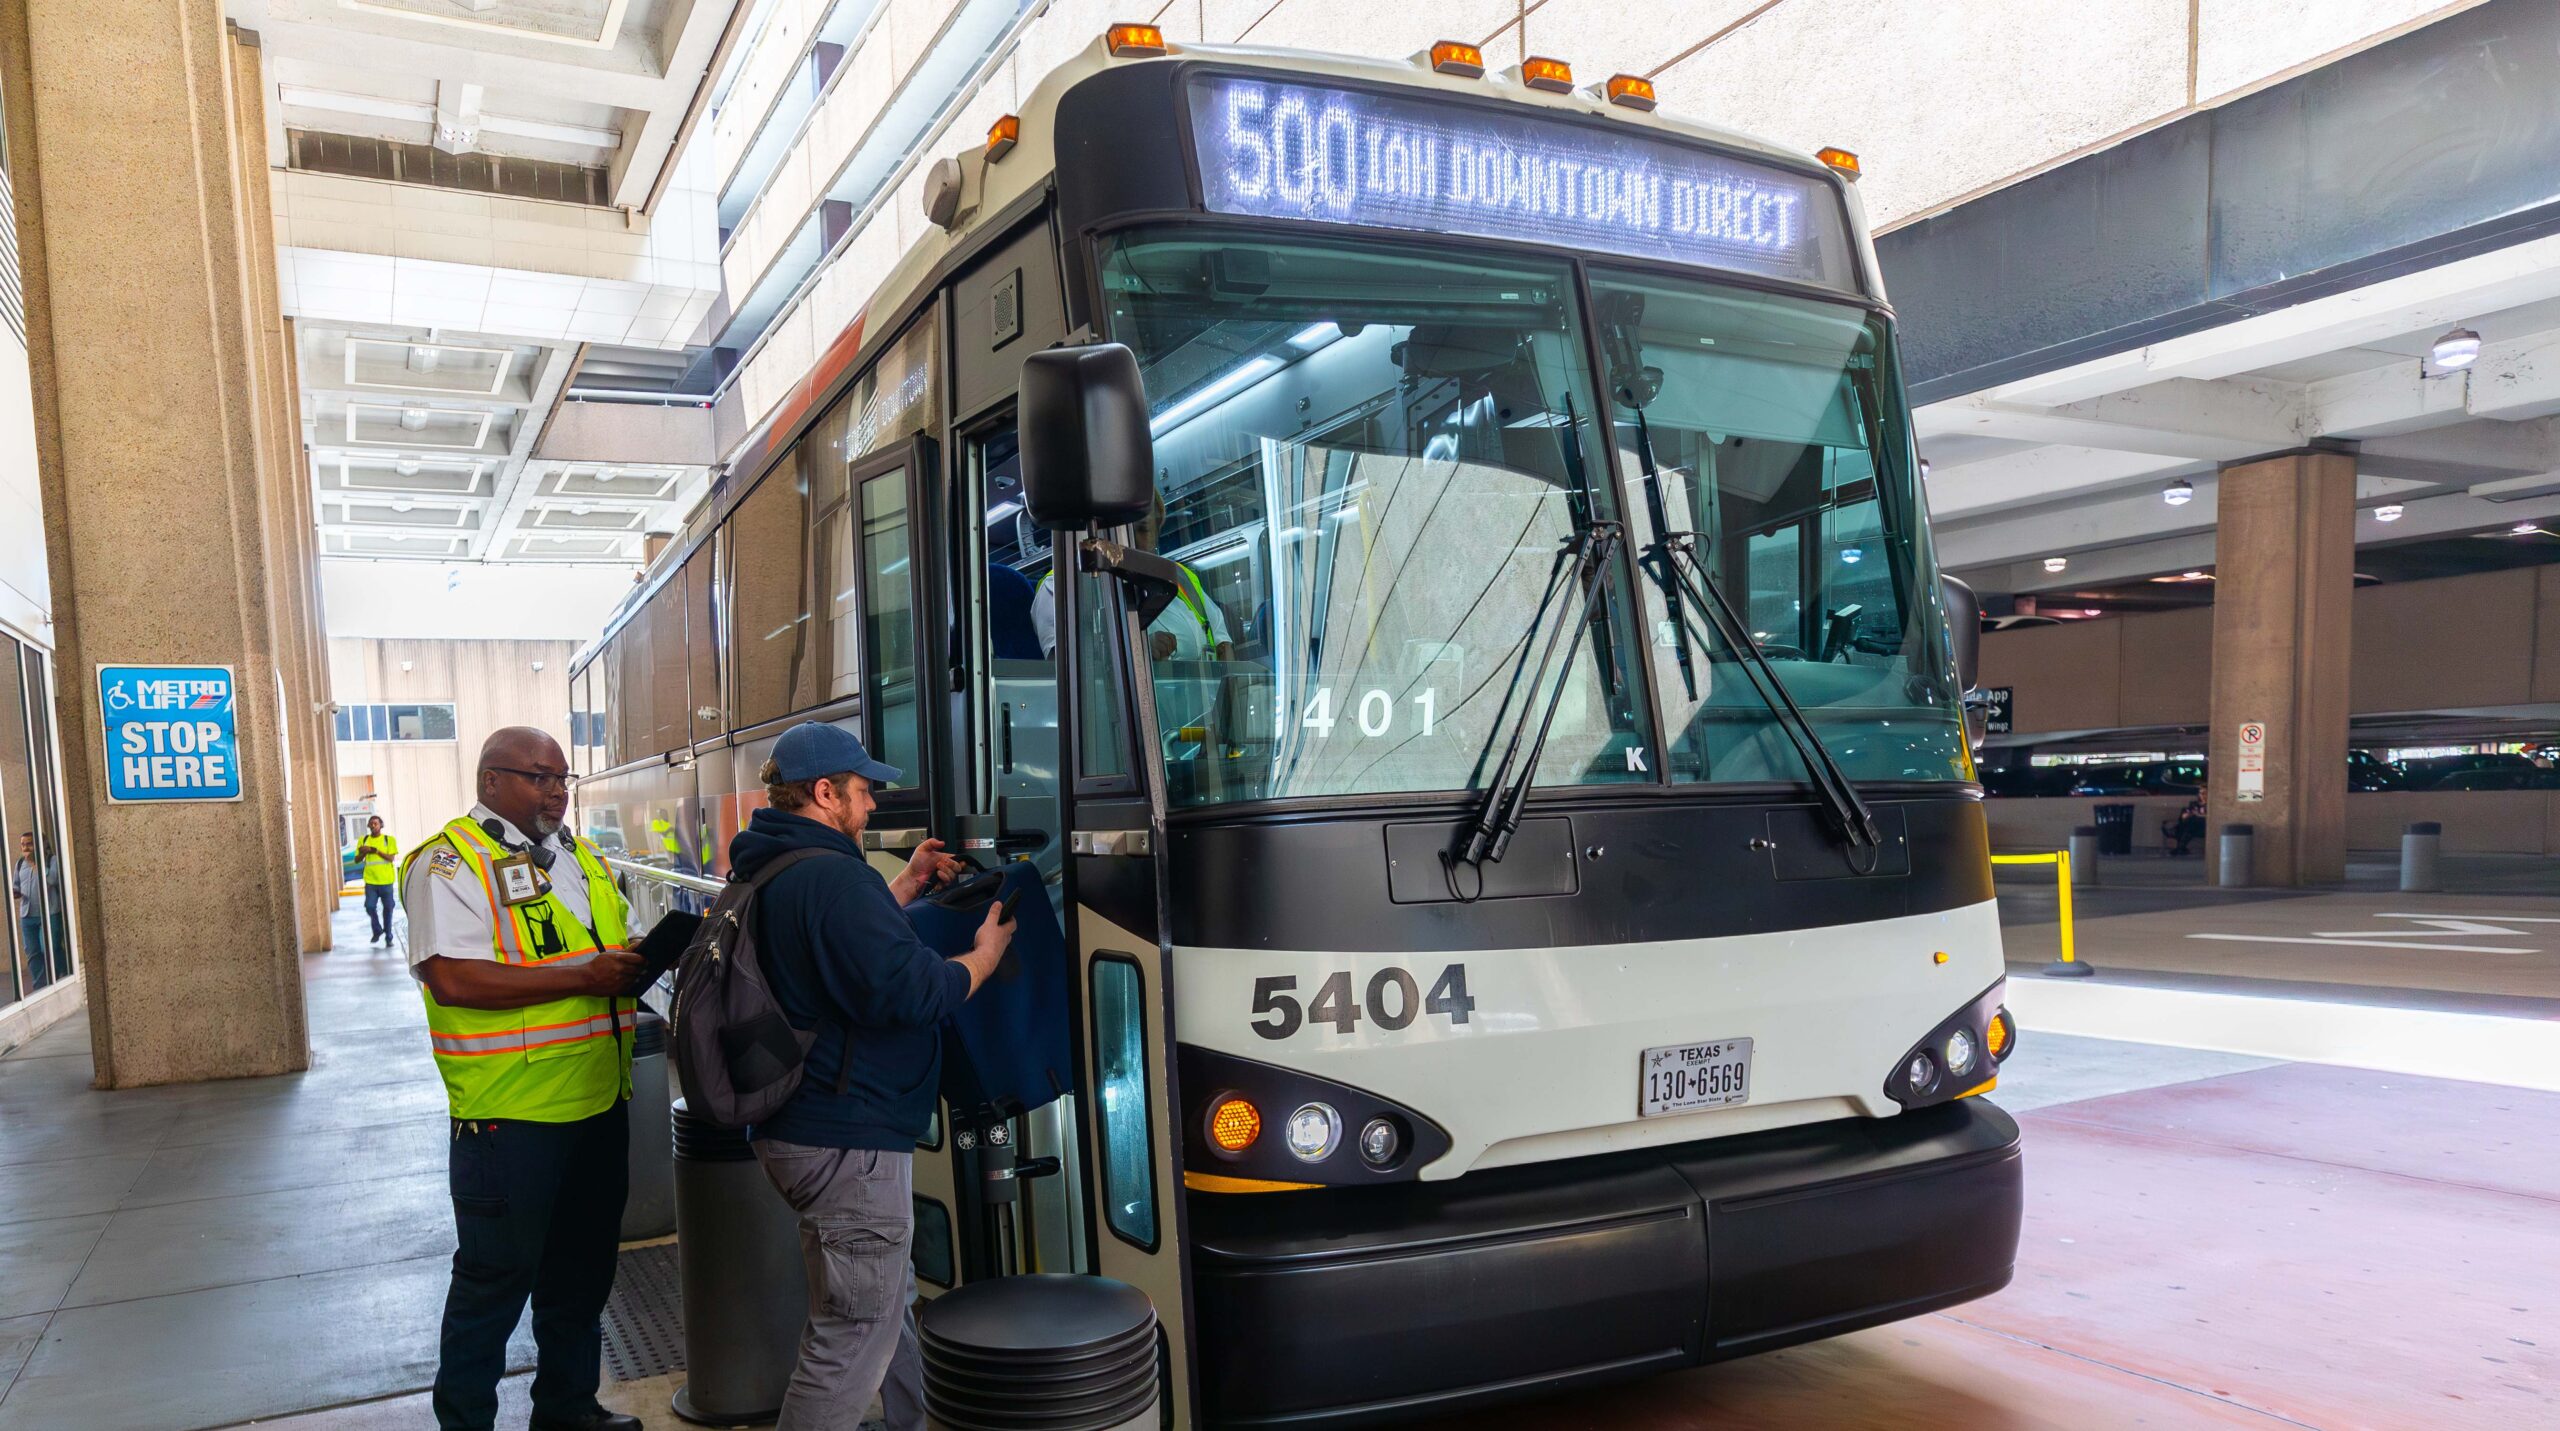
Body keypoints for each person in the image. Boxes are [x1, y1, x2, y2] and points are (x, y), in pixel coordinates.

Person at [728, 722, 1012, 1431]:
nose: (871, 804)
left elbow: (834, 947)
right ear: (824, 793)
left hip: (804, 1124)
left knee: (884, 1304)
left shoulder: (774, 864)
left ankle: (916, 1420)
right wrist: (982, 957)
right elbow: (914, 990)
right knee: (851, 1335)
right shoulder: (832, 875)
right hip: (843, 1132)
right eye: (861, 790)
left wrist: (909, 881)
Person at [402, 727, 646, 1431]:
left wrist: (634, 958)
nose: (556, 792)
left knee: (580, 1276)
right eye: (538, 777)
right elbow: (449, 976)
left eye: (562, 778)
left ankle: (568, 1411)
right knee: (493, 1284)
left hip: (598, 1101)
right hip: (509, 1116)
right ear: (490, 781)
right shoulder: (449, 863)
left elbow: (611, 944)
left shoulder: (578, 856)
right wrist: (584, 975)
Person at [1030, 493, 1231, 661]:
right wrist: (1137, 651)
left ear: (1157, 531)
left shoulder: (1180, 577)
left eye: (1142, 530)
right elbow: (1069, 673)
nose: (1129, 540)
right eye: (1119, 530)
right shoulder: (1060, 586)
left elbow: (1223, 644)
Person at [357, 815, 400, 945]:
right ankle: (377, 930)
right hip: (370, 882)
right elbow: (357, 860)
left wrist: (375, 851)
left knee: (388, 909)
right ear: (369, 826)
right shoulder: (363, 840)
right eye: (371, 824)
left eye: (376, 823)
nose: (373, 826)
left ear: (381, 825)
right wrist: (364, 852)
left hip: (386, 882)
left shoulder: (389, 840)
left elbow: (391, 858)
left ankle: (388, 936)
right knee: (370, 907)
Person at [9, 832, 39, 994]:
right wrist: (15, 892)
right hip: (27, 915)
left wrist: (35, 865)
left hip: (47, 913)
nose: (25, 847)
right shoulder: (20, 863)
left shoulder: (49, 861)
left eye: (29, 844)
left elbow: (54, 880)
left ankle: (58, 976)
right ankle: (40, 986)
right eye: (23, 844)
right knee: (33, 951)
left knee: (51, 948)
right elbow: (16, 885)